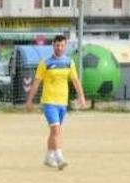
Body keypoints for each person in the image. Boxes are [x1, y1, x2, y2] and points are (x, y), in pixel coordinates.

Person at [24, 35, 86, 170]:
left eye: (62, 45)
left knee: (55, 132)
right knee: (56, 130)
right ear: (53, 45)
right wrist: (29, 100)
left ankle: (48, 157)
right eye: (57, 45)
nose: (59, 48)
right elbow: (36, 83)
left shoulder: (69, 62)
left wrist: (81, 96)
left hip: (63, 102)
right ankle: (59, 157)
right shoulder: (45, 63)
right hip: (49, 101)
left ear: (65, 46)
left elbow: (75, 81)